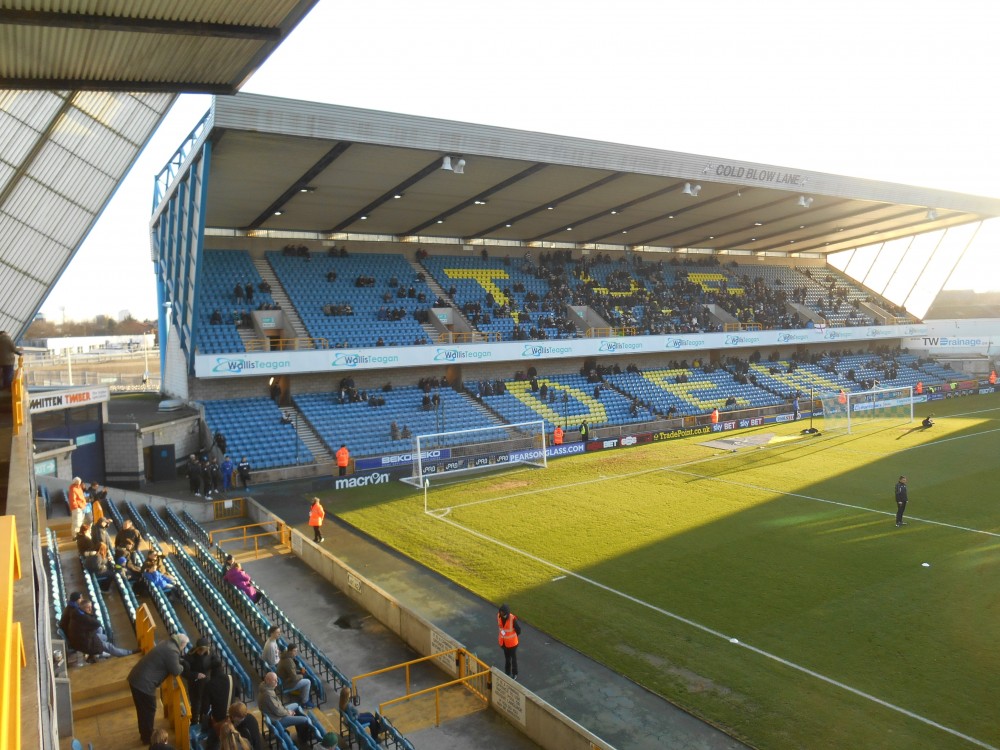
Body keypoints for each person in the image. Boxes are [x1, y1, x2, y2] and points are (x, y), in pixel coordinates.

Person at [128, 633, 189, 745]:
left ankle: (145, 734)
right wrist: (182, 665)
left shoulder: (167, 643)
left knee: (142, 710)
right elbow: (176, 670)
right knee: (149, 709)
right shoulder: (172, 651)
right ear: (182, 644)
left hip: (136, 679)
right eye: (184, 646)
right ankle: (147, 738)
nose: (183, 649)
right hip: (144, 684)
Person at [67, 596, 136, 661]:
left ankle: (97, 653)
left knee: (103, 634)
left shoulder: (77, 613)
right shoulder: (83, 618)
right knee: (109, 646)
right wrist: (89, 615)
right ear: (83, 608)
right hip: (85, 643)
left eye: (91, 607)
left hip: (84, 638)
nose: (91, 609)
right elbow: (96, 623)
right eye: (88, 608)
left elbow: (95, 625)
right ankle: (129, 652)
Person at [256, 672, 314, 745]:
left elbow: (277, 708)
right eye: (274, 680)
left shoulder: (264, 687)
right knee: (305, 720)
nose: (277, 681)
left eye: (276, 679)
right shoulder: (268, 695)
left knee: (296, 705)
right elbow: (278, 711)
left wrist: (287, 711)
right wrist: (288, 712)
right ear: (267, 680)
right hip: (278, 719)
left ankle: (300, 731)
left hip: (275, 713)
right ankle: (304, 738)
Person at [182, 637, 220, 725]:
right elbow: (184, 672)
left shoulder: (210, 652)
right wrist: (196, 675)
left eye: (202, 650)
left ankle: (203, 723)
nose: (200, 652)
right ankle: (194, 723)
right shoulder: (190, 656)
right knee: (196, 705)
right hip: (195, 685)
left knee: (205, 705)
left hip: (206, 683)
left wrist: (210, 667)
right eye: (199, 650)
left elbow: (217, 662)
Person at [497, 603, 521, 680]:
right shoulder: (499, 616)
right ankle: (507, 673)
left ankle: (514, 673)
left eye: (503, 613)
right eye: (501, 612)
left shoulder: (512, 619)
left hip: (512, 644)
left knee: (513, 659)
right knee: (507, 659)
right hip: (504, 643)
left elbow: (518, 630)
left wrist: (512, 637)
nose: (502, 614)